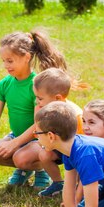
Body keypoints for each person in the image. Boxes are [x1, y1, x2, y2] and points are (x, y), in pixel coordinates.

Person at [0, 30, 67, 189]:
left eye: (10, 61)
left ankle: (42, 169)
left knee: (20, 158)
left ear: (27, 57)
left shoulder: (37, 85)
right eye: (3, 61)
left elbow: (39, 124)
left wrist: (14, 144)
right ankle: (25, 170)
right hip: (18, 135)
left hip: (40, 138)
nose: (6, 66)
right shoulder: (5, 84)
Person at [32, 68, 85, 197]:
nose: (37, 101)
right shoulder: (45, 110)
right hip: (59, 148)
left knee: (78, 163)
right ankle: (58, 183)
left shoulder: (75, 114)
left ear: (57, 98)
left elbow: (83, 141)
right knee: (44, 155)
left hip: (75, 150)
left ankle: (79, 188)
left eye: (40, 98)